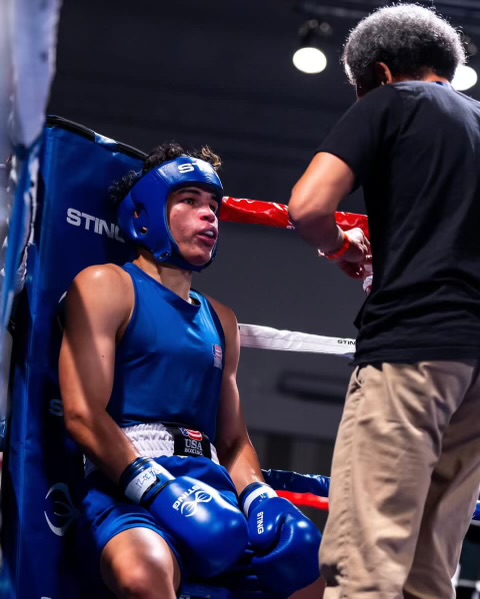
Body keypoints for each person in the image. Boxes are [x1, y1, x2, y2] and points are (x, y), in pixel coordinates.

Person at [59, 142, 323, 599]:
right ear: (144, 214)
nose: (210, 217)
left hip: (211, 489)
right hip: (124, 488)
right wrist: (153, 486)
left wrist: (259, 496)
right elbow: (82, 413)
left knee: (313, 575)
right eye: (189, 201)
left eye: (214, 206)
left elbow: (234, 440)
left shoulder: (221, 319)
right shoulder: (107, 285)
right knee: (143, 575)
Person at [288, 4, 480, 598]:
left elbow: (308, 206)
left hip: (413, 349)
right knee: (430, 573)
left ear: (379, 73)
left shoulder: (392, 103)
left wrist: (338, 246)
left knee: (365, 563)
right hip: (475, 367)